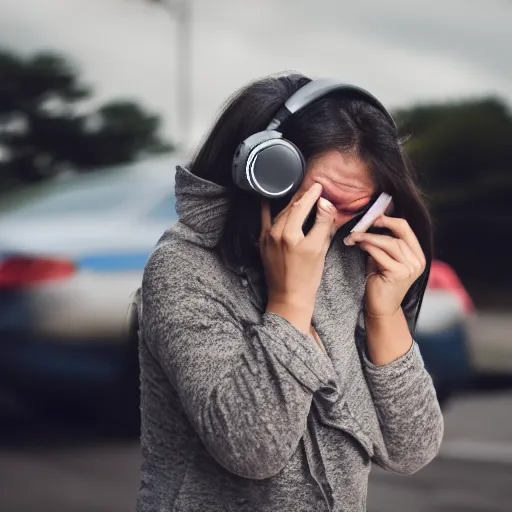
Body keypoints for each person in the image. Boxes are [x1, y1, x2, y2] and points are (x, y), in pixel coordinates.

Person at [135, 73, 444, 512]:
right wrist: (291, 302)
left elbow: (412, 448)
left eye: (352, 208)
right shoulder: (183, 269)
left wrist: (385, 313)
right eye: (315, 199)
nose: (329, 223)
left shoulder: (352, 255)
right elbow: (252, 450)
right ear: (258, 172)